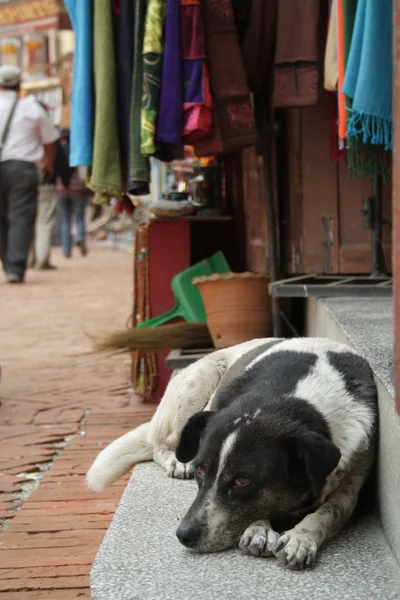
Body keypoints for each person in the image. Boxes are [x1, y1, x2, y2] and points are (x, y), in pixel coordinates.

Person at [0, 65, 59, 283]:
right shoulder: (31, 107)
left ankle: (7, 262)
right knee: (20, 217)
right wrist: (47, 164)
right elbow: (50, 139)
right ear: (19, 84)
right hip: (22, 169)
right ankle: (15, 267)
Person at [55, 128, 89, 258]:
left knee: (65, 220)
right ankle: (80, 236)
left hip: (62, 190)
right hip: (78, 190)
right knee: (79, 218)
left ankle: (66, 249)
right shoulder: (77, 151)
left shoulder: (59, 151)